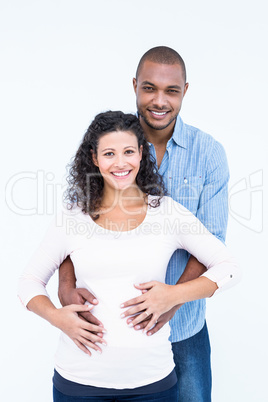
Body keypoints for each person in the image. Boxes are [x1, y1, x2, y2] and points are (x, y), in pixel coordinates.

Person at [18, 111, 241, 402]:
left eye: (128, 152)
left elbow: (229, 268)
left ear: (141, 155)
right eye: (109, 153)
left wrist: (174, 294)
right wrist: (57, 317)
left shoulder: (167, 213)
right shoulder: (72, 218)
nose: (120, 163)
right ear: (94, 158)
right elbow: (29, 281)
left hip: (153, 383)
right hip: (78, 381)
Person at [58, 47, 231, 401]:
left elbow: (213, 244)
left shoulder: (209, 153)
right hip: (109, 335)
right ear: (135, 86)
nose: (159, 100)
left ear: (185, 91)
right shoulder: (111, 143)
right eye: (149, 88)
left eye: (171, 91)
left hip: (184, 328)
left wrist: (172, 301)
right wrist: (64, 287)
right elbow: (71, 225)